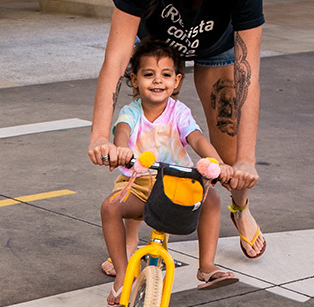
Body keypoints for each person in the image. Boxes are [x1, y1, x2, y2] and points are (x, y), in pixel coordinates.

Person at [90, 0, 265, 275]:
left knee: (232, 164)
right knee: (141, 141)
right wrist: (101, 136)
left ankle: (240, 208)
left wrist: (245, 159)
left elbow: (248, 76)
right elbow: (115, 60)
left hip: (216, 45)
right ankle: (130, 240)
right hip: (154, 43)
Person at [100, 39, 237, 307]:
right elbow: (122, 131)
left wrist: (218, 163)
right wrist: (120, 149)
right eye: (148, 74)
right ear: (135, 79)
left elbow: (196, 138)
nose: (157, 81)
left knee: (211, 199)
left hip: (178, 185)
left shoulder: (179, 112)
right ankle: (122, 275)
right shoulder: (131, 112)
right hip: (140, 184)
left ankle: (206, 266)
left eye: (165, 75)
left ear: (176, 81)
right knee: (110, 208)